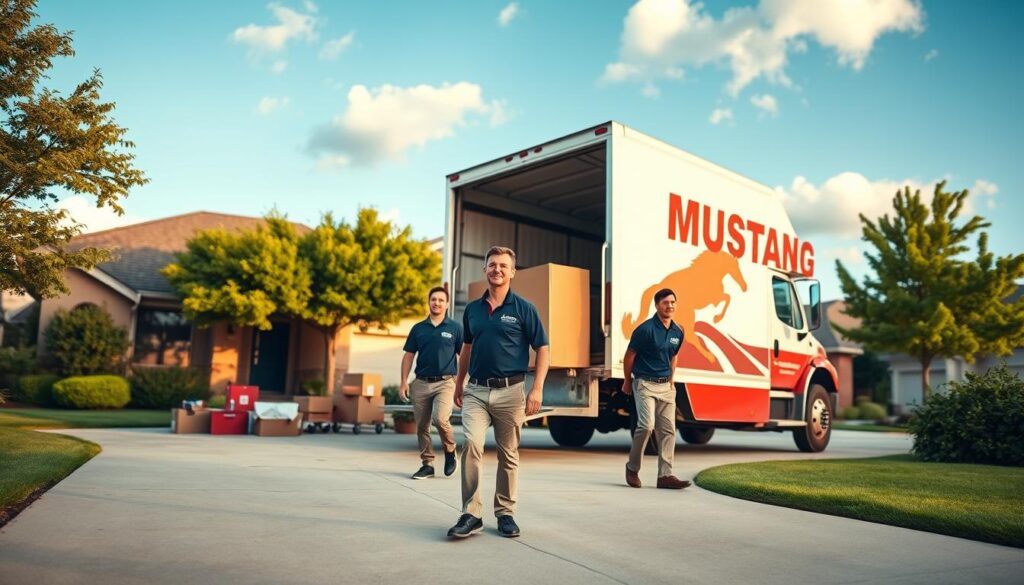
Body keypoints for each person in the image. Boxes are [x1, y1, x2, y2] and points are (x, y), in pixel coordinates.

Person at [447, 246, 549, 539]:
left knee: (508, 453)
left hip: (511, 391)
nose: (497, 270)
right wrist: (458, 382)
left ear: (513, 272)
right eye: (492, 265)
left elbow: (542, 347)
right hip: (477, 390)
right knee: (472, 446)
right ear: (485, 270)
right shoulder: (473, 310)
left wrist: (537, 387)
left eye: (503, 265)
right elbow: (466, 347)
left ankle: (505, 513)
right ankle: (471, 513)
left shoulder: (524, 309)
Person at [621, 288, 691, 490]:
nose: (669, 306)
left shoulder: (678, 331)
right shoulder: (645, 330)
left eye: (672, 302)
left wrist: (672, 379)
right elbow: (629, 356)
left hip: (666, 388)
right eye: (665, 303)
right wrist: (627, 381)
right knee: (646, 426)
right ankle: (632, 468)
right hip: (644, 384)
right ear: (657, 305)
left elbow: (673, 356)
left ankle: (665, 476)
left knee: (668, 431)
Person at [400, 286, 463, 480]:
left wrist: (461, 383)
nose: (437, 303)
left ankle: (450, 450)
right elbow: (408, 356)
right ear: (429, 302)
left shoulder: (455, 328)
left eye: (441, 300)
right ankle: (427, 465)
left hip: (445, 382)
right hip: (420, 383)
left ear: (447, 304)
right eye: (433, 299)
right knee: (421, 427)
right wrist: (404, 381)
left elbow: (465, 356)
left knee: (440, 418)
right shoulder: (418, 328)